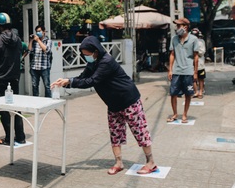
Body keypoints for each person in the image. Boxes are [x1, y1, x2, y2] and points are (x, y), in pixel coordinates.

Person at [51, 36, 157, 175]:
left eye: (87, 54)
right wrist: (66, 81)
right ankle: (118, 163)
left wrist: (69, 81)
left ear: (95, 51)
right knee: (115, 133)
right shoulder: (93, 63)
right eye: (84, 54)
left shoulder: (106, 61)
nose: (86, 57)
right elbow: (83, 77)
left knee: (140, 131)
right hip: (113, 103)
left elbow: (92, 81)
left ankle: (151, 162)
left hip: (128, 100)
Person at [0, 13, 26, 145]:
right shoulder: (18, 40)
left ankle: (9, 138)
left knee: (3, 110)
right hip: (14, 78)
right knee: (16, 108)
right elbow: (20, 55)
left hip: (0, 80)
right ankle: (20, 136)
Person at [167, 18, 199, 123]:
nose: (177, 28)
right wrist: (170, 70)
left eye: (178, 26)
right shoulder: (174, 39)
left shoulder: (194, 39)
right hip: (176, 71)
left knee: (188, 94)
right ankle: (175, 114)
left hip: (188, 71)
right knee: (173, 93)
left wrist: (195, 72)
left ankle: (185, 115)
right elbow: (172, 54)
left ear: (185, 27)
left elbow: (196, 57)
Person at [28, 25, 52, 97]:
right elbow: (29, 50)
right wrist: (31, 40)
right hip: (34, 67)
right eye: (37, 31)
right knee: (34, 86)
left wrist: (38, 40)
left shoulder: (48, 41)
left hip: (44, 67)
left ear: (44, 32)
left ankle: (48, 102)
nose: (38, 33)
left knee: (47, 86)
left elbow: (47, 50)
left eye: (39, 31)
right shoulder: (35, 42)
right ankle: (36, 102)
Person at [191, 28, 206, 98]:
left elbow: (202, 52)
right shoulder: (189, 42)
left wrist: (196, 52)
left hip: (200, 63)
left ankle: (200, 92)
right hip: (191, 63)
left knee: (201, 78)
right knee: (193, 78)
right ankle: (196, 91)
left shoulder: (201, 42)